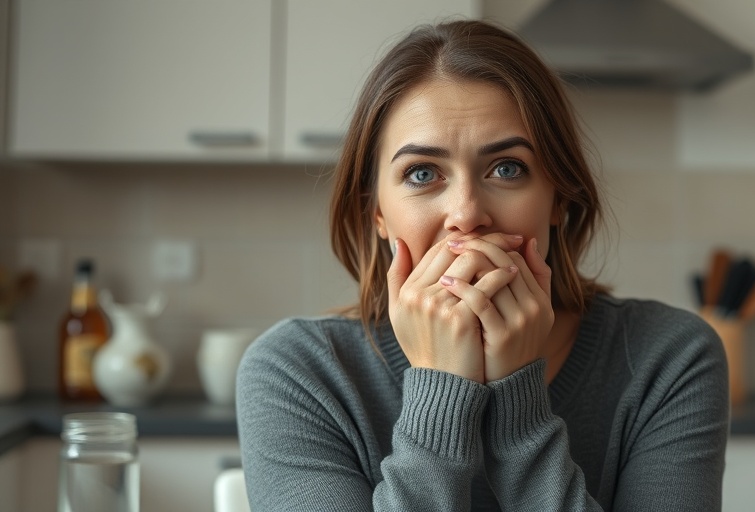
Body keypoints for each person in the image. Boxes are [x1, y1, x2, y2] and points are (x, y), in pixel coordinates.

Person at [236, 19, 729, 511]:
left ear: (558, 199)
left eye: (507, 168)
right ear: (378, 213)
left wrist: (519, 409)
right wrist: (441, 390)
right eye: (423, 173)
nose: (467, 214)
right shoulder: (295, 372)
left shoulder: (669, 359)